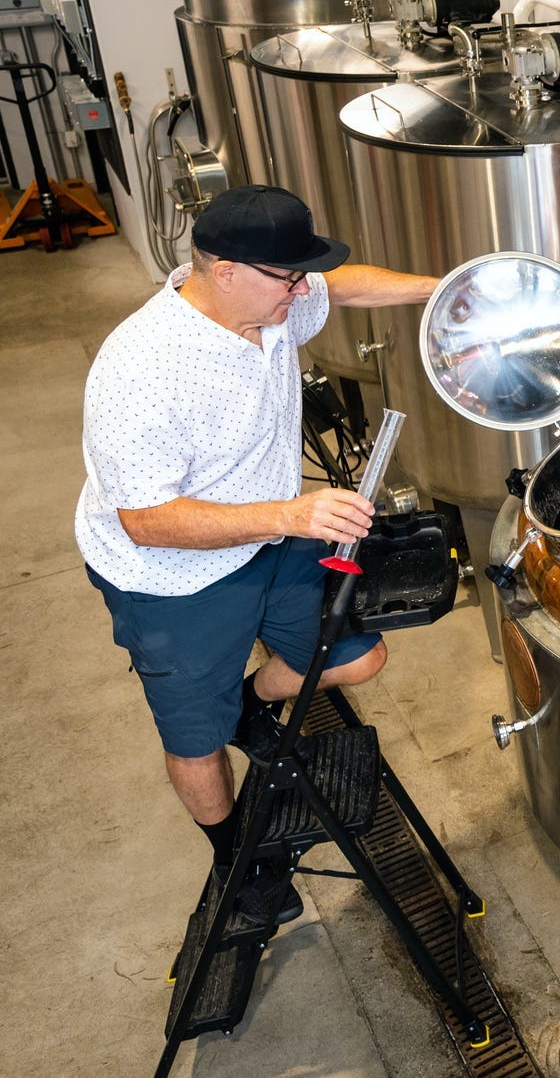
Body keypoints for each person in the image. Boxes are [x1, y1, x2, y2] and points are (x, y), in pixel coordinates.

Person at [76, 184, 439, 924]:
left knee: (357, 658)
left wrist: (444, 288)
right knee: (197, 740)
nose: (303, 291)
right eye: (288, 276)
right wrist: (293, 513)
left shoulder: (272, 303)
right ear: (226, 268)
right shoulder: (140, 366)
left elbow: (345, 285)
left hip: (271, 536)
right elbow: (148, 520)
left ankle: (248, 699)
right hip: (171, 576)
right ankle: (232, 851)